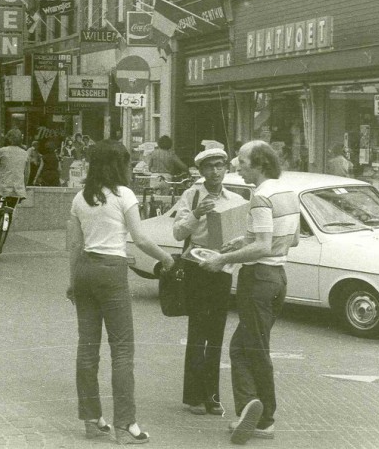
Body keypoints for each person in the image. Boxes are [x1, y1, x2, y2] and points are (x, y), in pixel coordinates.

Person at [66, 139, 175, 444]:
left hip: (84, 270)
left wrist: (72, 281)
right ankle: (125, 424)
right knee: (122, 350)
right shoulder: (124, 195)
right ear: (119, 165)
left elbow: (74, 245)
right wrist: (166, 258)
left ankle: (91, 419)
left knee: (87, 348)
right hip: (111, 272)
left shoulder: (80, 198)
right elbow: (139, 239)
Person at [198, 140, 300, 445]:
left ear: (259, 164)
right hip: (278, 277)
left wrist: (222, 258)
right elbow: (291, 239)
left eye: (241, 161)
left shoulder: (260, 197)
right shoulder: (288, 192)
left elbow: (263, 246)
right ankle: (249, 410)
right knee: (243, 348)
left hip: (257, 278)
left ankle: (264, 418)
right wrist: (243, 240)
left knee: (254, 350)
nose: (236, 166)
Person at [172, 148, 237, 417]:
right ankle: (194, 397)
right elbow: (177, 233)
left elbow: (238, 234)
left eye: (220, 165)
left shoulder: (234, 198)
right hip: (196, 266)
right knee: (198, 331)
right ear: (200, 171)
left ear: (226, 168)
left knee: (217, 332)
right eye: (209, 167)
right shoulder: (191, 195)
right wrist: (196, 213)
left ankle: (212, 396)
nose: (215, 171)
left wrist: (230, 258)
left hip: (220, 267)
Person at [0, 128, 29, 226]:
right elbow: (26, 174)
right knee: (10, 208)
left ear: (9, 139)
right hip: (17, 188)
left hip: (2, 186)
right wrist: (24, 187)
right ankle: (5, 227)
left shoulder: (2, 151)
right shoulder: (25, 154)